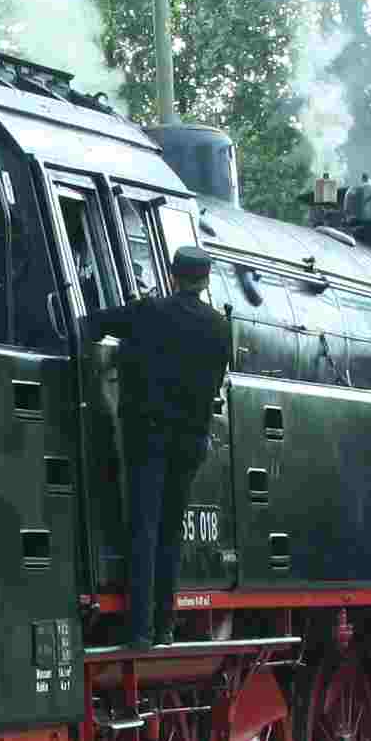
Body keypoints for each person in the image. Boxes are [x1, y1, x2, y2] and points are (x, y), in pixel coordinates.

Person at [93, 242, 235, 646]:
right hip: (190, 440)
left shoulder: (150, 312)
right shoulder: (219, 326)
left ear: (173, 275)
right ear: (205, 281)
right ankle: (165, 627)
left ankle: (139, 630)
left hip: (148, 437)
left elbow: (95, 322)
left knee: (144, 528)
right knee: (171, 532)